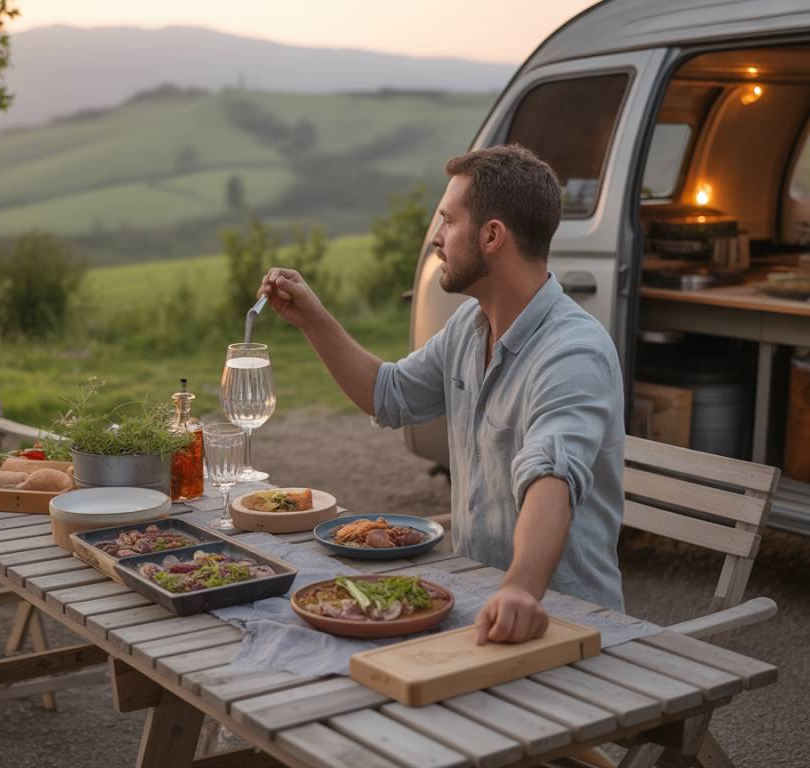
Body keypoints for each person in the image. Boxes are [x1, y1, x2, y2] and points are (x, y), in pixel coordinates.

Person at [259, 144, 625, 645]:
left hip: (561, 620)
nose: (436, 238)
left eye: (448, 222)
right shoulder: (470, 327)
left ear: (492, 235)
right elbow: (387, 394)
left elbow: (551, 476)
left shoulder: (572, 353)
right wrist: (314, 320)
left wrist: (520, 589)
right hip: (478, 602)